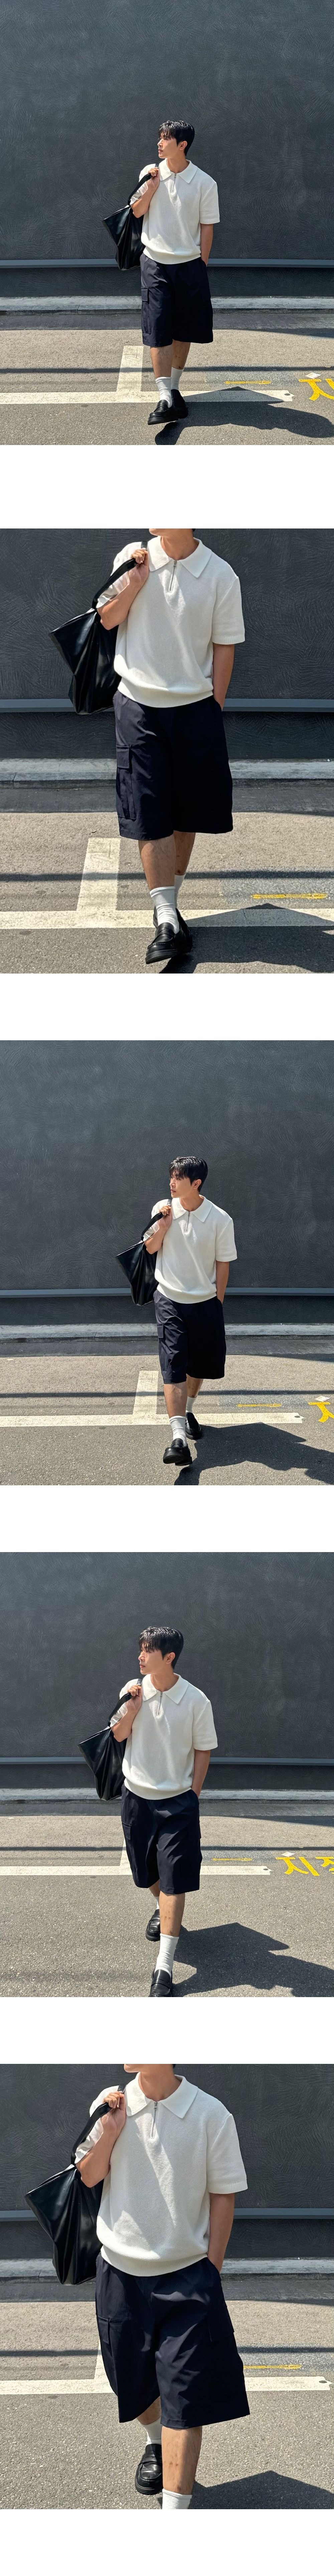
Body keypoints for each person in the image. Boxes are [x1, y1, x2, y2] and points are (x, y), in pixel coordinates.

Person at [76, 2063, 249, 2507]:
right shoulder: (110, 2104)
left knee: (185, 2400)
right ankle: (154, 2440)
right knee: (131, 2387)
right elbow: (89, 2177)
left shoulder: (211, 2114)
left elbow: (224, 2194)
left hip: (187, 2277)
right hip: (119, 2274)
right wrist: (111, 2130)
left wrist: (211, 2270)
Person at [97, 528, 244, 964]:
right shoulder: (133, 557)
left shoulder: (220, 575)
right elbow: (107, 619)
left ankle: (171, 910)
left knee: (187, 809)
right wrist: (135, 583)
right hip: (138, 704)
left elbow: (224, 646)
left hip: (195, 708)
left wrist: (213, 708)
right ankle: (165, 919)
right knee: (149, 807)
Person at [111, 1623, 218, 1994]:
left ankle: (164, 1967)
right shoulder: (133, 1689)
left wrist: (194, 1794)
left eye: (148, 1650)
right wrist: (132, 1709)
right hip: (136, 1798)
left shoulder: (196, 1701)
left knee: (174, 1877)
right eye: (140, 1649)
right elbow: (119, 1735)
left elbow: (203, 1749)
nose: (140, 1656)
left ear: (169, 1657)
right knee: (146, 1874)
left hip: (178, 1803)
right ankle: (162, 1907)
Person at [142, 1152, 237, 1470]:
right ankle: (179, 1439)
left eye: (178, 1178)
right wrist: (164, 1225)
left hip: (205, 1302)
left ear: (196, 1183)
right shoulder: (163, 1208)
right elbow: (151, 1248)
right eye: (171, 1176)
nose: (172, 1182)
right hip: (169, 1297)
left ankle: (189, 1410)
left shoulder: (220, 1220)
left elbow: (223, 1264)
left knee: (198, 1366)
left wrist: (217, 1302)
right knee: (173, 1363)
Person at [129, 120, 219, 428]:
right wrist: (152, 188)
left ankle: (175, 389)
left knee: (184, 329)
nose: (159, 143)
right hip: (155, 262)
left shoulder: (205, 183)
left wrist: (201, 264)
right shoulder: (150, 173)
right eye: (160, 137)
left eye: (166, 139)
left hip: (190, 265)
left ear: (182, 145)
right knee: (158, 328)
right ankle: (164, 397)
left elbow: (207, 227)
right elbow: (137, 212)